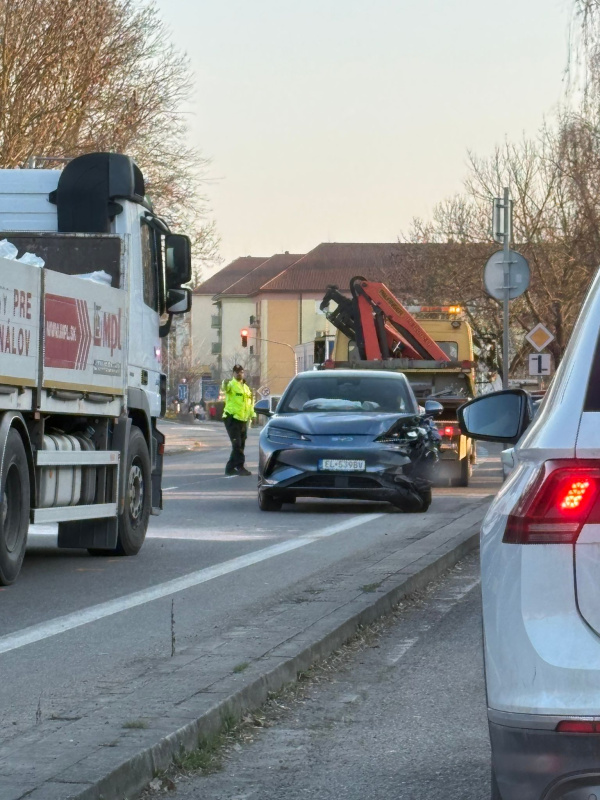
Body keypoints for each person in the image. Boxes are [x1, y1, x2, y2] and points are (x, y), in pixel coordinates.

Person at [221, 365, 255, 476]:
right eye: (236, 372)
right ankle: (240, 467)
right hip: (232, 418)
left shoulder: (246, 388)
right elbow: (225, 387)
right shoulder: (231, 384)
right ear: (233, 374)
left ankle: (230, 468)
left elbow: (249, 404)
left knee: (241, 444)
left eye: (240, 372)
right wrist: (224, 383)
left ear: (243, 373)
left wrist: (252, 416)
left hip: (243, 419)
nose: (239, 374)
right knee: (237, 444)